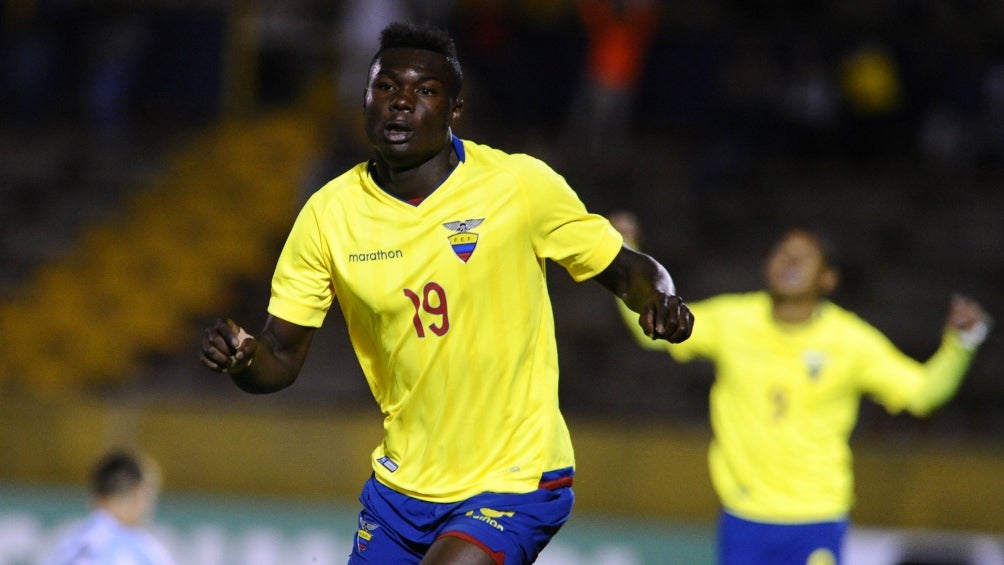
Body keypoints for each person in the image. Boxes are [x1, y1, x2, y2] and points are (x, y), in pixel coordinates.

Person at [199, 21, 694, 565]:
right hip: (402, 489)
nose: (402, 101)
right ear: (365, 99)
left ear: (455, 109)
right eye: (386, 87)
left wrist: (659, 298)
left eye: (425, 90)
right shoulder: (328, 215)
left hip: (515, 477)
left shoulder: (517, 185)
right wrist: (245, 360)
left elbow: (628, 270)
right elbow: (280, 357)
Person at [609, 211, 993, 565]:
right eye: (782, 252)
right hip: (744, 517)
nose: (790, 261)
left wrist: (959, 346)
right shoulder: (733, 321)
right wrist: (626, 255)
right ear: (766, 265)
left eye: (804, 256)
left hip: (817, 517)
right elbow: (654, 331)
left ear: (828, 278)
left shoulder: (850, 342)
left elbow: (921, 393)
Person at [42, 449, 175, 565]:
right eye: (150, 493)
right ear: (138, 493)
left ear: (96, 496)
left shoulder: (65, 543)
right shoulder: (140, 550)